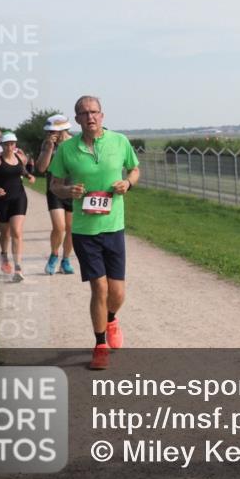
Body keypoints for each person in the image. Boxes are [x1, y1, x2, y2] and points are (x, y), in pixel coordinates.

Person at [49, 96, 139, 370]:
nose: (90, 117)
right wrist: (68, 191)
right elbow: (54, 185)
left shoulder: (119, 141)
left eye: (94, 112)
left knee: (117, 292)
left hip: (113, 227)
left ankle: (111, 318)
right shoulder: (67, 149)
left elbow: (135, 169)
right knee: (99, 288)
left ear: (102, 115)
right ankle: (100, 345)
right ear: (76, 119)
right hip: (85, 231)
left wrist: (127, 183)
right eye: (84, 113)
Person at [0, 131, 36, 282]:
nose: (9, 147)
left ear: (15, 144)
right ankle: (4, 256)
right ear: (2, 145)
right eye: (6, 144)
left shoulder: (20, 157)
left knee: (16, 231)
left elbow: (21, 169)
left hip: (19, 197)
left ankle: (18, 268)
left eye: (12, 144)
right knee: (5, 232)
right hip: (1, 200)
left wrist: (29, 175)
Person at [36, 114, 75, 275]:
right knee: (59, 227)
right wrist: (49, 148)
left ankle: (65, 260)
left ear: (63, 130)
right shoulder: (47, 144)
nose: (50, 134)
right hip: (55, 190)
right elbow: (41, 168)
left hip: (73, 189)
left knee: (71, 228)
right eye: (49, 131)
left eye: (53, 131)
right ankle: (54, 255)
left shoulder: (75, 143)